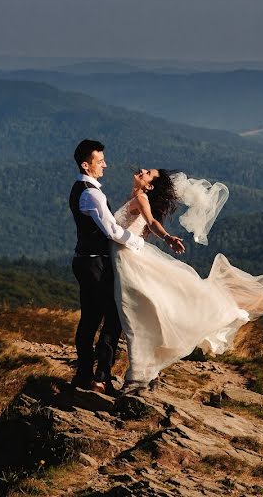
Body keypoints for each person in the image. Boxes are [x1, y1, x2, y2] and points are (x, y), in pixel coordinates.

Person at [112, 167, 263, 395]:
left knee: (135, 317)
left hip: (129, 262)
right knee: (142, 316)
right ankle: (148, 373)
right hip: (126, 258)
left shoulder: (141, 198)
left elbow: (151, 221)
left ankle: (138, 379)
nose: (142, 170)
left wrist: (166, 237)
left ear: (150, 185)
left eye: (148, 173)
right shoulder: (136, 197)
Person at [69, 140, 180, 394]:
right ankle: (100, 376)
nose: (105, 165)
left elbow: (149, 221)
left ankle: (86, 375)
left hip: (93, 259)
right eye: (100, 161)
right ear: (86, 165)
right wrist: (137, 244)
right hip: (97, 261)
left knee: (90, 319)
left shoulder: (82, 189)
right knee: (113, 317)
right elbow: (111, 230)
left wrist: (159, 238)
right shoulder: (92, 193)